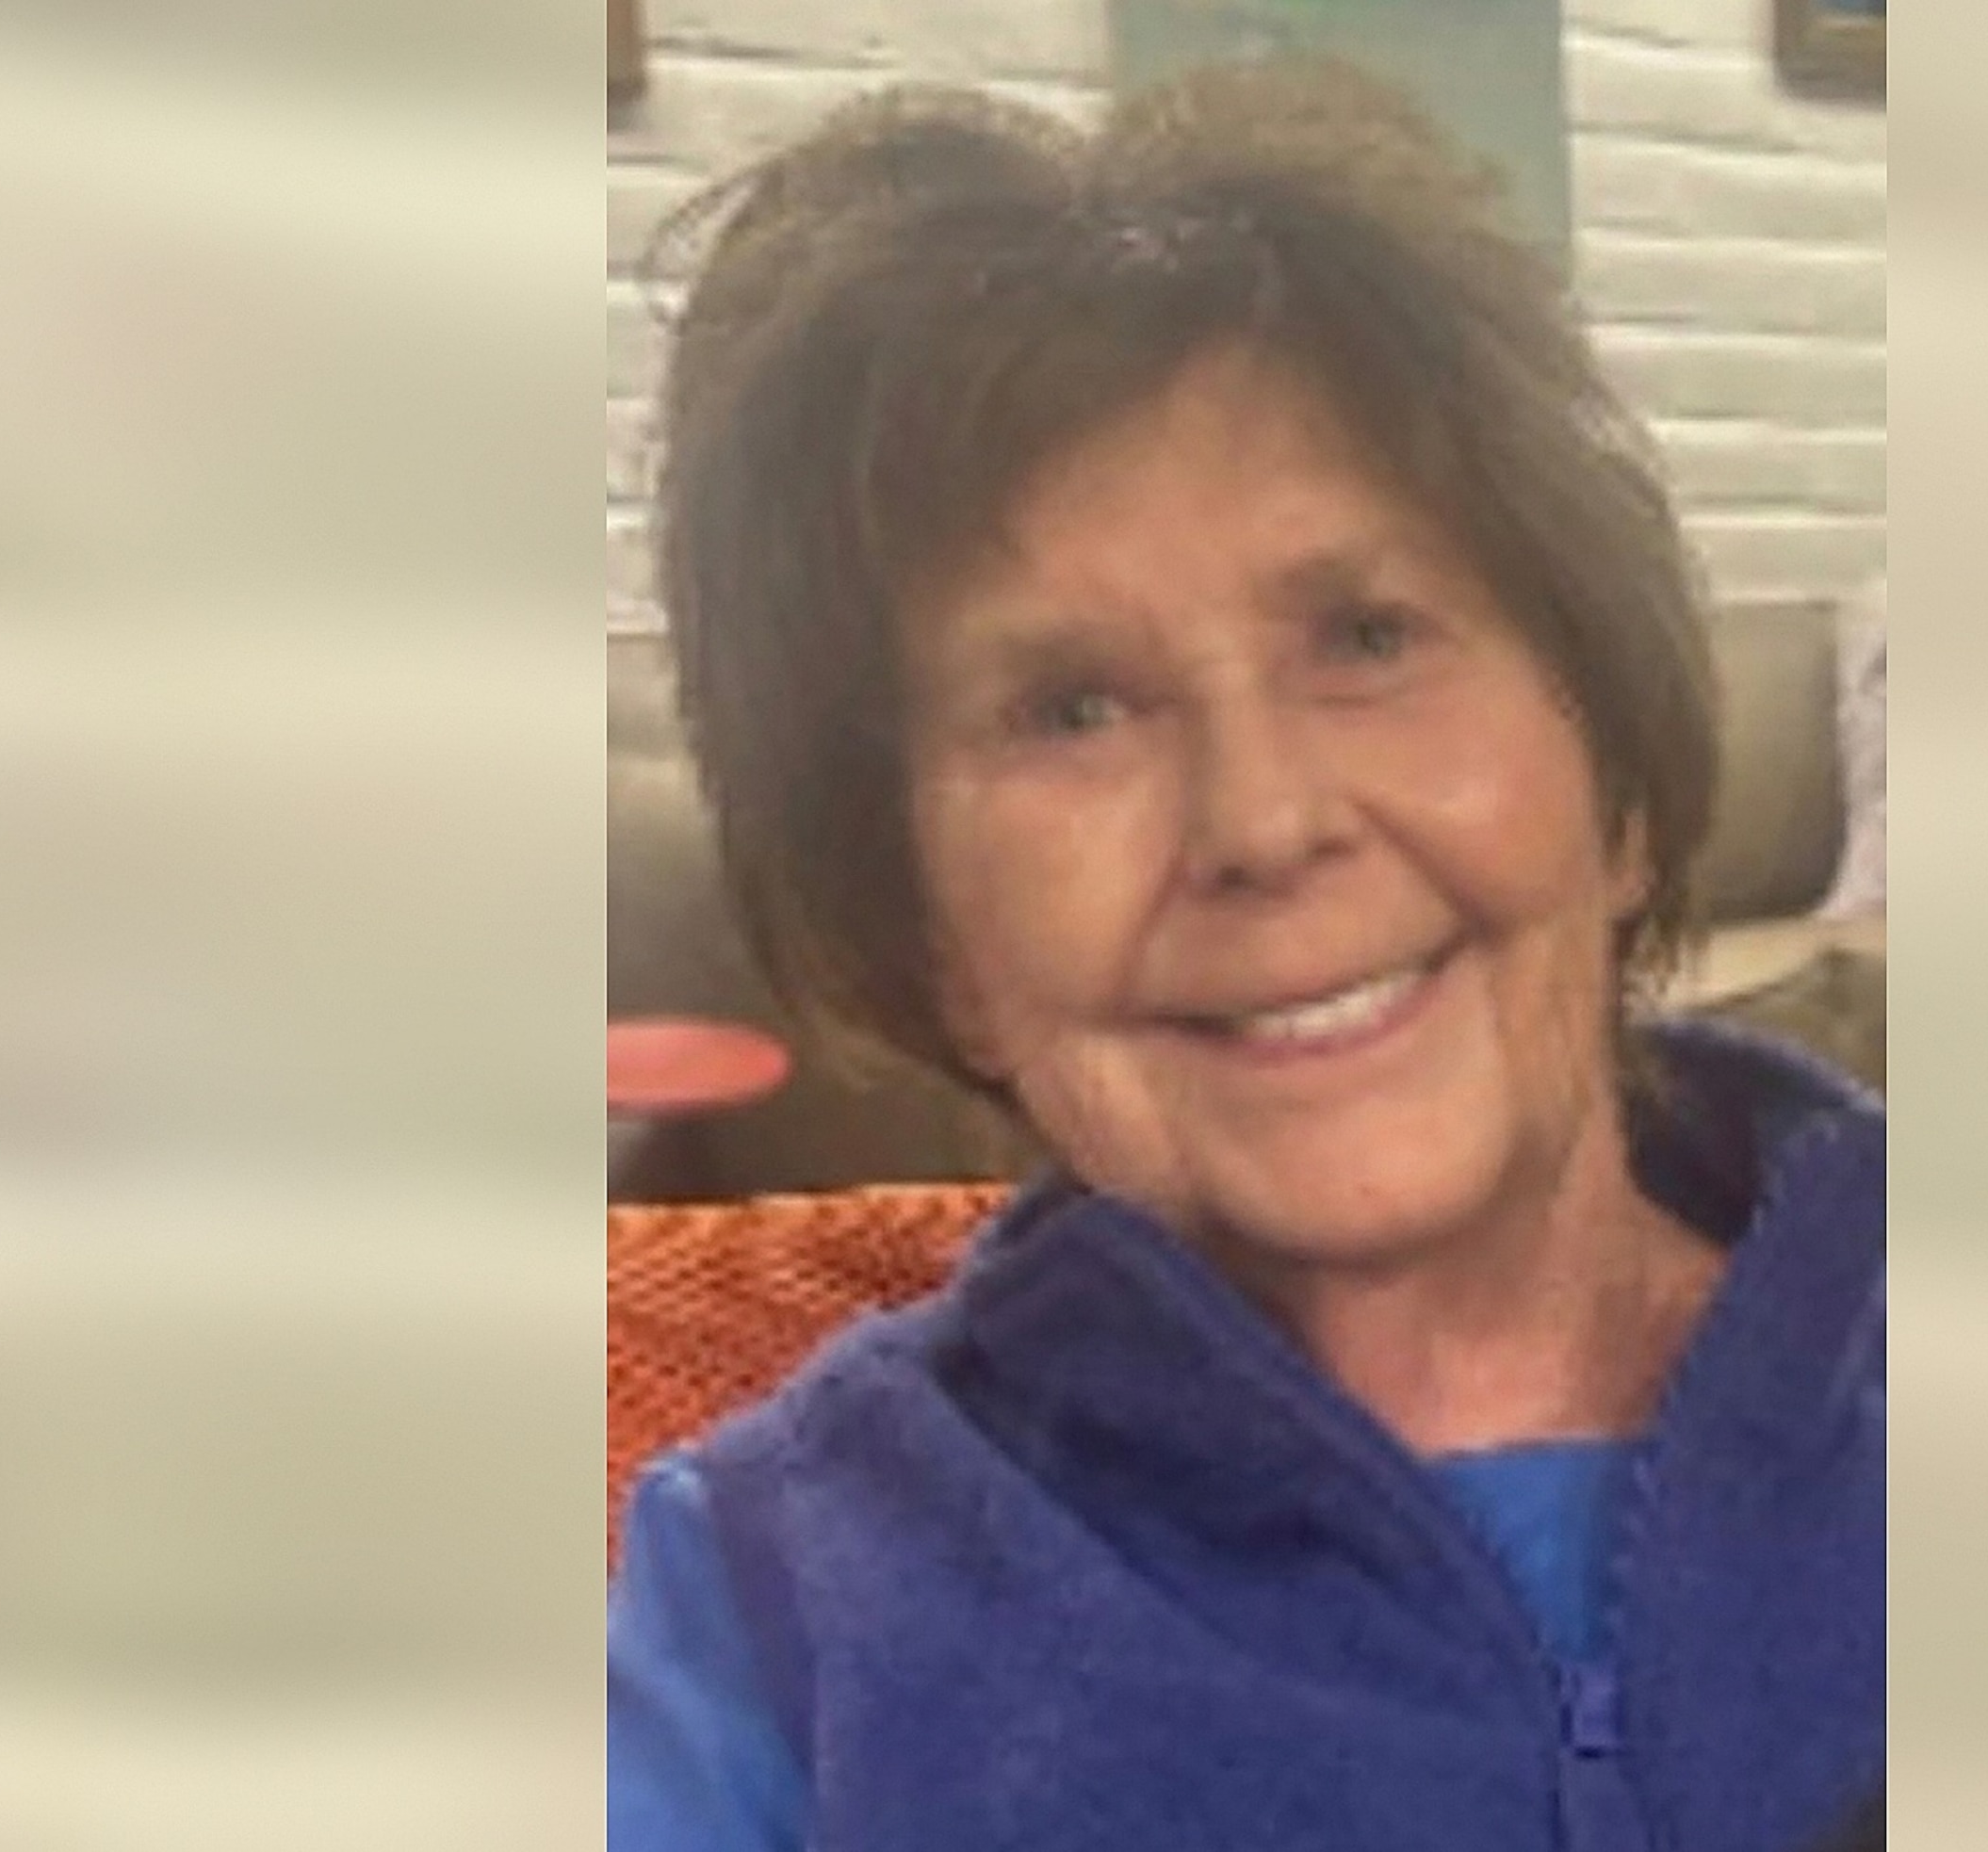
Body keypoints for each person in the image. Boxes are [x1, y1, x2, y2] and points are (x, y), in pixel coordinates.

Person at [610, 57, 1882, 1852]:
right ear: (934, 941)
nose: (1266, 821)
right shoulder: (767, 1617)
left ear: (1613, 785)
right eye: (1070, 709)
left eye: (1367, 634)